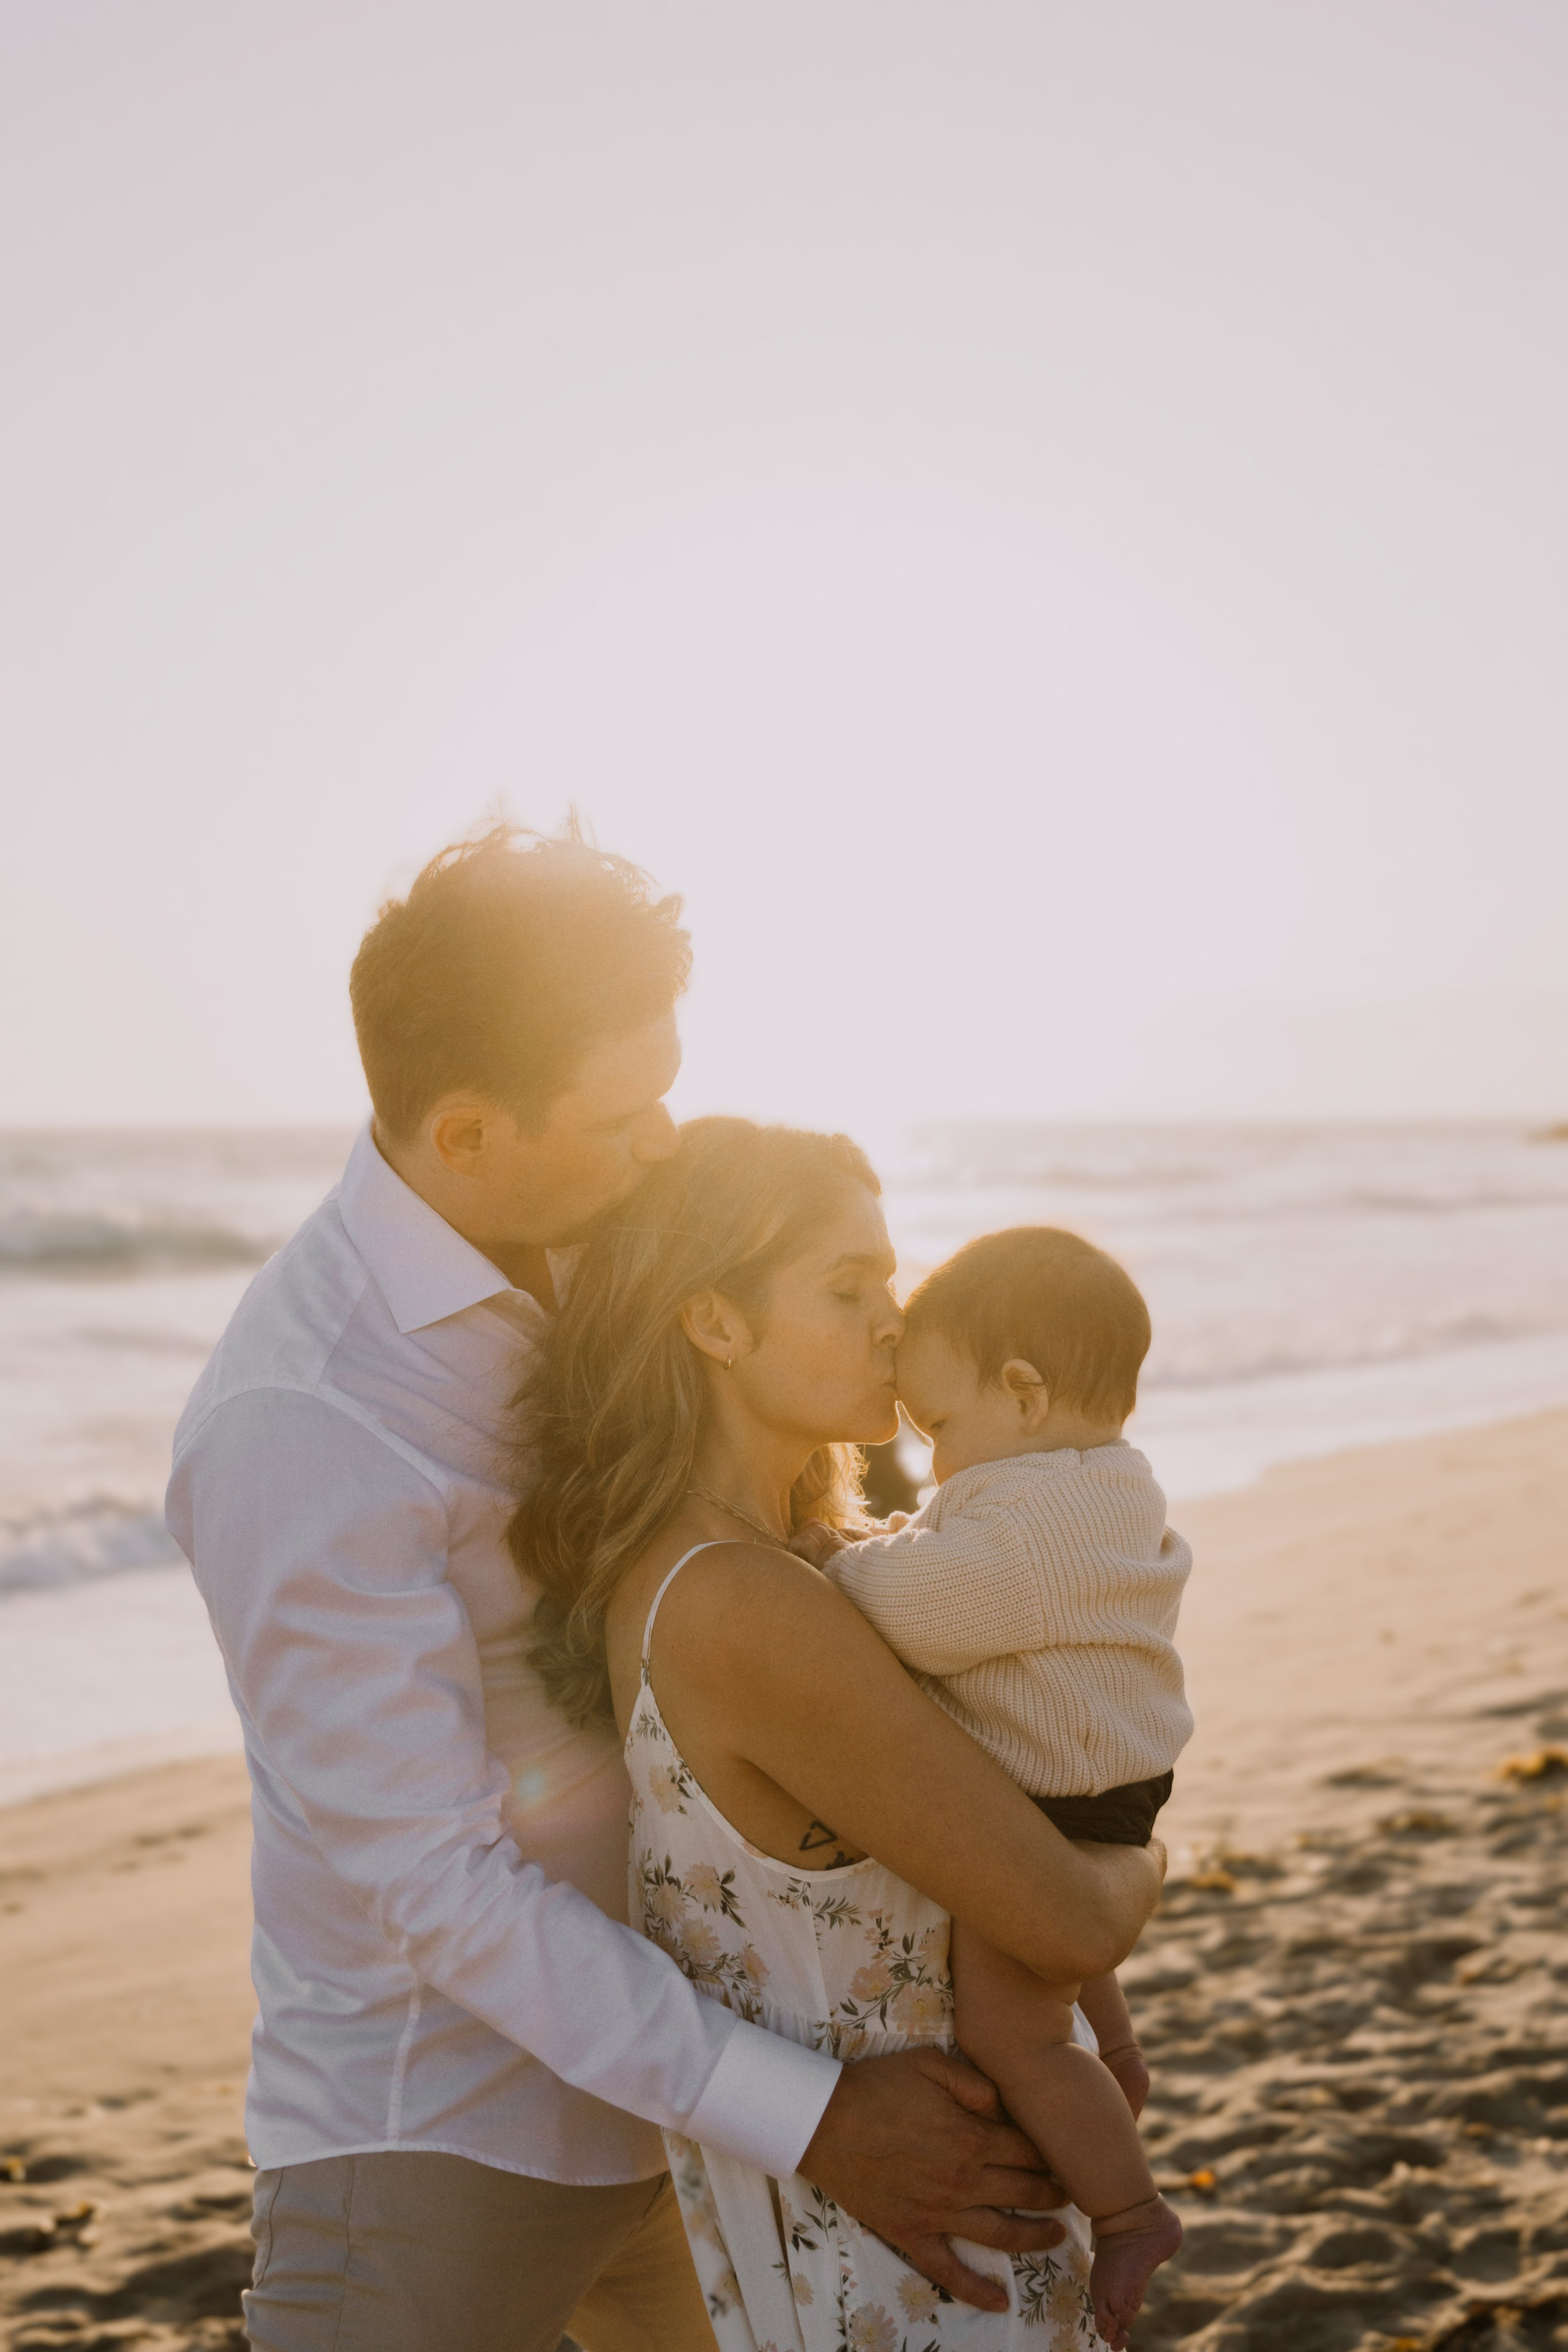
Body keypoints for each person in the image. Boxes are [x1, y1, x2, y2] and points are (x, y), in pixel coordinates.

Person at [166, 827, 1084, 2352]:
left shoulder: (607, 1250)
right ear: (464, 1133)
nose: (662, 1140)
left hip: (699, 2086)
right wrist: (812, 2119)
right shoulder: (302, 1424)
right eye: (623, 1112)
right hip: (444, 2144)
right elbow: (433, 1884)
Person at [516, 1116, 1168, 2350]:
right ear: (714, 1323)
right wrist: (1147, 1853)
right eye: (843, 1285)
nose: (892, 1317)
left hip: (906, 2220)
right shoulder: (743, 1601)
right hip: (920, 2261)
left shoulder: (773, 1569)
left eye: (889, 1276)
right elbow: (1067, 1919)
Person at [794, 1227, 1193, 2348]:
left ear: (1021, 1395)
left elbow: (925, 1607)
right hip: (1103, 1782)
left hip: (1056, 1792)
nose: (929, 1466)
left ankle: (1129, 2210)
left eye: (939, 1430)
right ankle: (1114, 2054)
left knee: (1014, 2028)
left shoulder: (1026, 1521)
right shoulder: (1103, 1484)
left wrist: (835, 1556)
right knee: (1050, 1945)